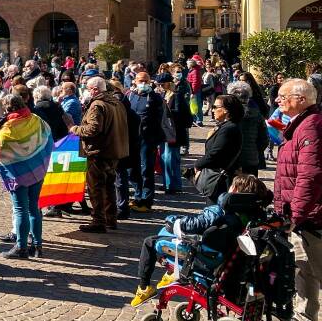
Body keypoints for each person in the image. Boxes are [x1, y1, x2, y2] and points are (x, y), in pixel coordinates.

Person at [130, 174, 271, 306]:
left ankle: (144, 288)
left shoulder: (221, 211)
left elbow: (196, 224)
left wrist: (173, 220)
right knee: (166, 235)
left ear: (234, 190)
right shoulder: (252, 216)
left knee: (151, 241)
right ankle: (171, 273)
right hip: (222, 256)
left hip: (204, 255)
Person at [272, 78, 322, 321]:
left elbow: (310, 174)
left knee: (316, 269)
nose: (278, 100)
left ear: (301, 99)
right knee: (304, 269)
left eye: (283, 96)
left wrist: (297, 214)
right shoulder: (301, 124)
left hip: (310, 215)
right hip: (302, 214)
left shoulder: (311, 126)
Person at [0, 93, 52, 259]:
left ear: (7, 109)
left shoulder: (7, 131)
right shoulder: (36, 119)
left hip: (18, 175)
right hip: (37, 170)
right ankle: (37, 246)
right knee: (34, 208)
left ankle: (21, 247)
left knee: (21, 209)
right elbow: (48, 136)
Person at [70, 76, 129, 233]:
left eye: (88, 88)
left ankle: (99, 221)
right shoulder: (116, 102)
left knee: (96, 188)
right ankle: (110, 218)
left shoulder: (98, 105)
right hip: (113, 151)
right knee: (109, 186)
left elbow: (93, 129)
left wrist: (75, 129)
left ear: (95, 89)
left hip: (99, 152)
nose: (87, 91)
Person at [126, 71, 165, 212]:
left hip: (148, 139)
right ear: (135, 81)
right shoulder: (130, 96)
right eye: (140, 80)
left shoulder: (155, 98)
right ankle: (137, 195)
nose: (143, 83)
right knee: (131, 169)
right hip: (132, 138)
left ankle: (146, 200)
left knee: (146, 169)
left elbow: (159, 118)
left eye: (145, 81)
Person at [193, 94, 244, 203]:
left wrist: (198, 164)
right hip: (220, 177)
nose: (212, 110)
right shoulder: (226, 126)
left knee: (217, 211)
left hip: (222, 179)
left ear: (226, 110)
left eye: (216, 107)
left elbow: (216, 153)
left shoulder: (229, 128)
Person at [227, 81, 268, 177]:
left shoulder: (229, 114)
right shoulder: (257, 114)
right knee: (250, 189)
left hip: (231, 160)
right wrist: (255, 150)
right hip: (251, 159)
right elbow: (264, 139)